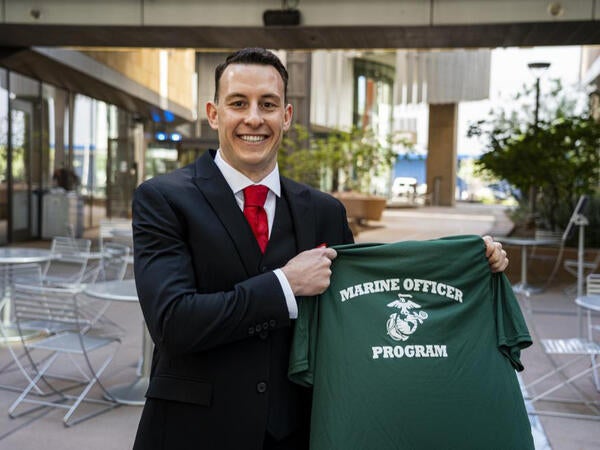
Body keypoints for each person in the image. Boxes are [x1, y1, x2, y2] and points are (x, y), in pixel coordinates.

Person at [131, 47, 509, 450]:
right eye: (238, 103)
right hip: (193, 430)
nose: (254, 118)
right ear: (214, 113)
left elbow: (365, 299)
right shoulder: (163, 199)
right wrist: (284, 285)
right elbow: (172, 323)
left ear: (287, 116)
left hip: (297, 432)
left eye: (269, 104)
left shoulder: (326, 211)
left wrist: (467, 263)